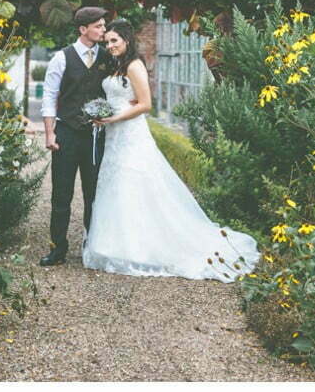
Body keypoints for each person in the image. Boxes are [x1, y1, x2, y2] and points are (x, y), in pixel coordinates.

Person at [82, 18, 259, 282]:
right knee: (115, 184)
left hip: (130, 134)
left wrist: (114, 118)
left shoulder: (134, 65)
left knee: (132, 183)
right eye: (107, 42)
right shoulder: (117, 66)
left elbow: (145, 105)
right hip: (115, 137)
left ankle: (138, 247)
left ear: (126, 40)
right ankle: (114, 244)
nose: (110, 46)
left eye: (114, 41)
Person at [39, 7, 110, 266]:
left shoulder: (108, 57)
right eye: (98, 26)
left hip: (95, 136)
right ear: (83, 29)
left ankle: (92, 248)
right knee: (61, 195)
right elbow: (49, 96)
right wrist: (50, 134)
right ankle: (57, 249)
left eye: (103, 25)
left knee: (94, 195)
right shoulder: (62, 58)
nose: (103, 30)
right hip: (66, 133)